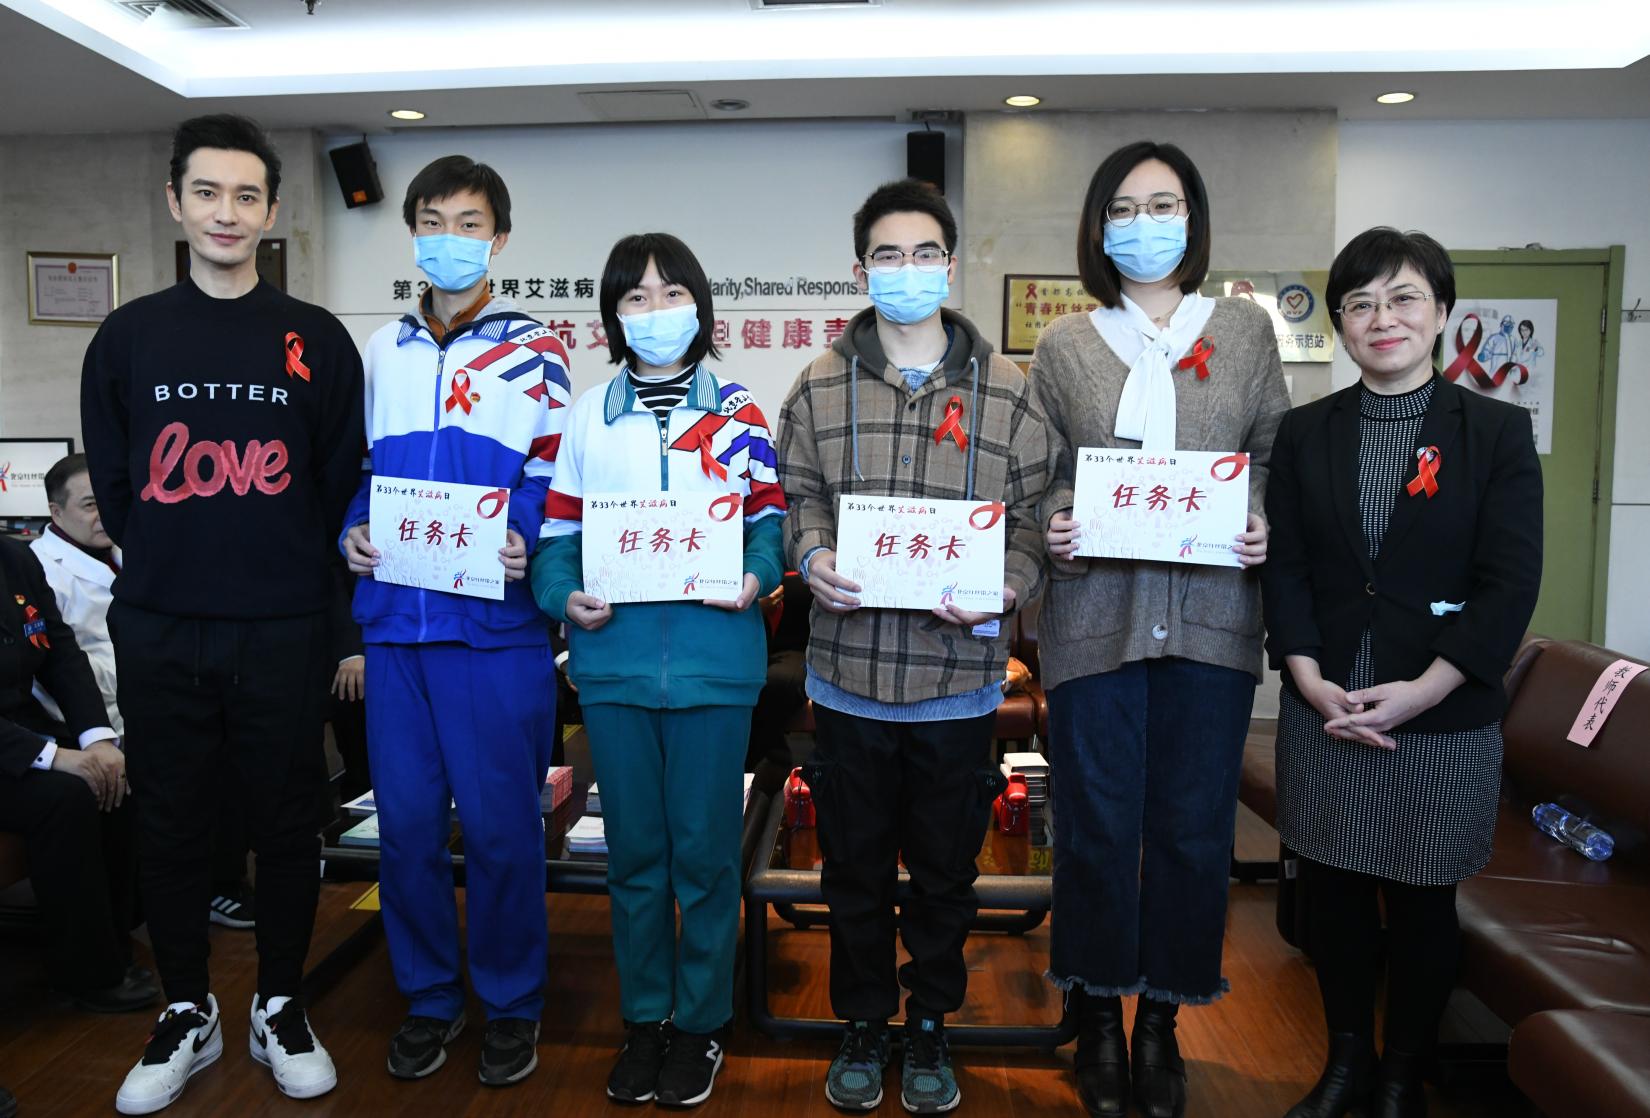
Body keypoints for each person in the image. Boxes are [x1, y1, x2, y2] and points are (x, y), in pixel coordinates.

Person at [81, 113, 363, 1114]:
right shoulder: (129, 334)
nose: (226, 212)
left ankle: (279, 1001)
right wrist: (176, 555)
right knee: (170, 819)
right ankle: (187, 1008)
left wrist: (285, 573)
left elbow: (334, 486)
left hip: (284, 621)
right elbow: (113, 485)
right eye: (208, 192)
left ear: (271, 210)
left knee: (289, 818)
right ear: (177, 201)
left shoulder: (316, 338)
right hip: (160, 619)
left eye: (246, 195)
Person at [777, 180, 1048, 1114]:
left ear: (950, 261)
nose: (905, 271)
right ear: (862, 270)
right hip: (848, 680)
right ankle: (862, 1018)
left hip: (957, 683)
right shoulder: (816, 382)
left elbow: (1036, 520)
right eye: (886, 256)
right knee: (851, 873)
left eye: (922, 253)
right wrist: (810, 555)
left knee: (944, 876)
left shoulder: (1008, 392)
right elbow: (795, 497)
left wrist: (1011, 584)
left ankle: (930, 1021)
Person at [1032, 140, 1288, 1118]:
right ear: (1101, 229)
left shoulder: (1244, 332)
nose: (1147, 222)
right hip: (1094, 622)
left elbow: (1269, 450)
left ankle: (1163, 1021)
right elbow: (1042, 472)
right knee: (1096, 829)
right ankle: (1098, 1014)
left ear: (1194, 217)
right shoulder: (1066, 345)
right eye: (1126, 207)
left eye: (1165, 202)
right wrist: (1054, 517)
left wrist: (1258, 512)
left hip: (1213, 627)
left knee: (1189, 830)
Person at [1262, 227, 1542, 1118]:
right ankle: (1346, 1062)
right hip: (1330, 697)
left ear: (1443, 313)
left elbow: (1510, 582)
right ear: (1341, 323)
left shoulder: (1496, 431)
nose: (1383, 319)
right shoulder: (1306, 433)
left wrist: (1424, 689)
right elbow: (1290, 569)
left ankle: (1401, 1074)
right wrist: (1305, 677)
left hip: (1443, 709)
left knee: (1424, 899)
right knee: (1332, 897)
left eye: (1404, 298)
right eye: (1361, 303)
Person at [532, 232, 785, 1108]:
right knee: (636, 857)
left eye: (670, 293)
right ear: (612, 318)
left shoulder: (740, 410)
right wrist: (564, 598)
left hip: (717, 666)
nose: (653, 312)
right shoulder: (587, 417)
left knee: (707, 857)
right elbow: (557, 540)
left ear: (701, 307)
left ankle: (703, 1024)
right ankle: (646, 1020)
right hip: (614, 667)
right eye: (634, 299)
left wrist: (756, 576)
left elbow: (768, 525)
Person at [340, 154, 570, 1088]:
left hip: (495, 632)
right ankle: (430, 996)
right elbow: (356, 472)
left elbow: (555, 475)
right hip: (396, 626)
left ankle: (513, 1001)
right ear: (413, 233)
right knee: (402, 830)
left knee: (503, 827)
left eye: (468, 223)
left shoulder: (539, 352)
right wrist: (352, 531)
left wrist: (522, 535)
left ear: (499, 239)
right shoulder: (381, 351)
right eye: (432, 219)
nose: (449, 237)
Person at [0, 536, 157, 1014]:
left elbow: (60, 651)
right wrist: (51, 755)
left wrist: (96, 739)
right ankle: (84, 975)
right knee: (63, 799)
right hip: (12, 746)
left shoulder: (13, 557)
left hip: (17, 727)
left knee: (114, 774)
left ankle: (111, 941)